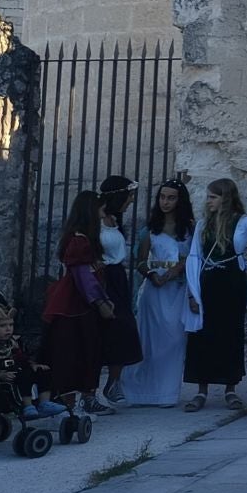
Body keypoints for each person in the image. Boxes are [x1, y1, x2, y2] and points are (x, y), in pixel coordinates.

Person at [183, 179, 247, 412]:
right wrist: (193, 293)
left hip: (232, 285)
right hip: (208, 283)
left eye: (213, 196)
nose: (208, 201)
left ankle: (230, 389)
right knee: (203, 334)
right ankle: (200, 391)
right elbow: (194, 258)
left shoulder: (244, 223)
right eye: (208, 196)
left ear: (226, 198)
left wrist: (246, 274)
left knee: (231, 334)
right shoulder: (204, 224)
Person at [119, 179, 195, 407]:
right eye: (162, 197)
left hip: (177, 289)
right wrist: (152, 275)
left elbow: (192, 257)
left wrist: (174, 272)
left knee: (174, 341)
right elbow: (140, 260)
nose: (166, 202)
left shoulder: (190, 229)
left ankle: (167, 393)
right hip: (155, 292)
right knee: (149, 342)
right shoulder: (150, 229)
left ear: (179, 201)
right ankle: (141, 391)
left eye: (171, 198)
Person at [41, 190, 113, 416]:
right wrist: (100, 302)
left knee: (84, 351)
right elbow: (84, 276)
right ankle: (70, 402)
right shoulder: (79, 241)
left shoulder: (79, 239)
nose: (103, 216)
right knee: (75, 352)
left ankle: (81, 398)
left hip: (77, 304)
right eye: (101, 210)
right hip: (76, 306)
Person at [96, 175, 143, 404]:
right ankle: (92, 388)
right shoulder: (95, 221)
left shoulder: (115, 220)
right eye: (129, 195)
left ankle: (114, 381)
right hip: (102, 278)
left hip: (118, 278)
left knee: (124, 327)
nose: (131, 200)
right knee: (105, 329)